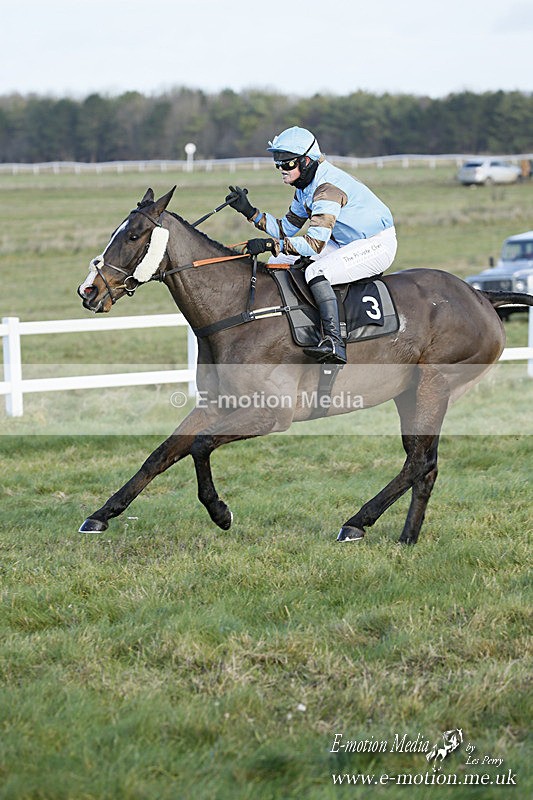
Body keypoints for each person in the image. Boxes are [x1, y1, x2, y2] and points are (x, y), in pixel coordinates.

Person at [225, 126, 397, 364]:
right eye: (278, 164)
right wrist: (250, 212)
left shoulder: (327, 188)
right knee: (278, 261)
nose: (281, 170)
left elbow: (314, 244)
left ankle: (333, 342)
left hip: (376, 244)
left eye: (287, 164)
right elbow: (286, 229)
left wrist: (269, 244)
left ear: (306, 162)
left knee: (316, 271)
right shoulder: (305, 188)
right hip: (344, 242)